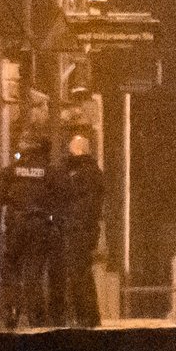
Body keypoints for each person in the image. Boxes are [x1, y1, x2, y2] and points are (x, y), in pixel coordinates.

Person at [0, 137, 68, 329]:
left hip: (16, 225)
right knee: (34, 271)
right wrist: (55, 223)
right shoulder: (50, 172)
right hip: (40, 225)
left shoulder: (10, 171)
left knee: (11, 267)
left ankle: (12, 310)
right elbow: (63, 199)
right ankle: (37, 318)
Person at [62, 133, 106, 327]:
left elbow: (72, 198)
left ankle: (84, 317)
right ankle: (90, 316)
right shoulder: (95, 172)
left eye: (71, 149)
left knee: (77, 272)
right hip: (88, 228)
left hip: (78, 228)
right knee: (83, 271)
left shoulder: (78, 173)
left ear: (78, 150)